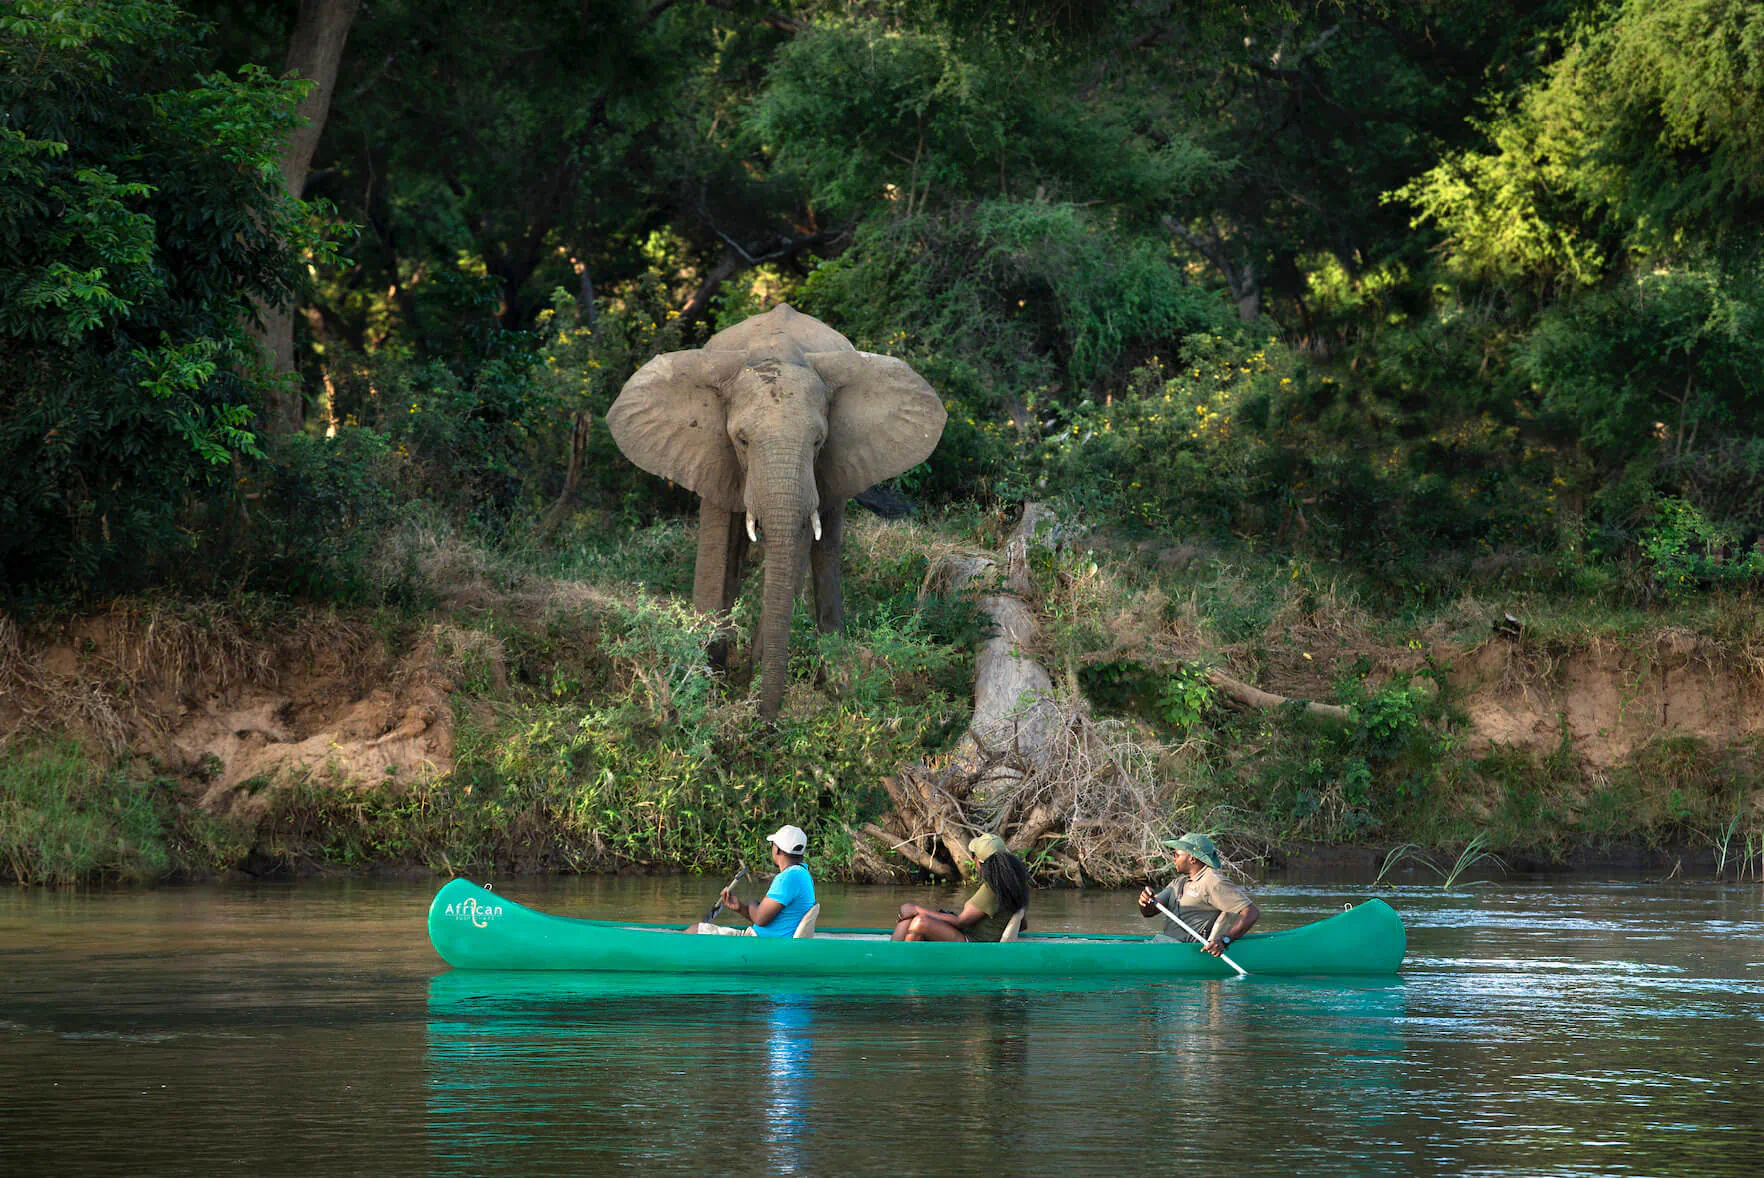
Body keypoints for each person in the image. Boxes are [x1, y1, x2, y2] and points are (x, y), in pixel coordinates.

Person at [1138, 832, 1259, 956]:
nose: (1174, 858)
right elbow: (1149, 912)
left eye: (1176, 854)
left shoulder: (1213, 881)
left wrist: (1224, 940)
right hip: (1165, 944)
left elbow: (1251, 912)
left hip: (1185, 951)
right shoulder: (1178, 883)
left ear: (1192, 858)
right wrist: (1146, 901)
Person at [892, 833, 1030, 942]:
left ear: (979, 862)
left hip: (971, 942)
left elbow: (961, 921)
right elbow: (1023, 925)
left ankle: (902, 962)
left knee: (920, 922)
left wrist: (917, 910)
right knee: (908, 920)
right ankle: (891, 957)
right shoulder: (1011, 884)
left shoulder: (991, 889)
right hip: (970, 935)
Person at [686, 825, 816, 936]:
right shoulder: (803, 874)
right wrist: (740, 908)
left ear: (777, 850)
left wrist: (752, 903)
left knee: (695, 930)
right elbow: (767, 919)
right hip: (769, 940)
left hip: (763, 944)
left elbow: (759, 918)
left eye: (773, 845)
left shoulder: (789, 877)